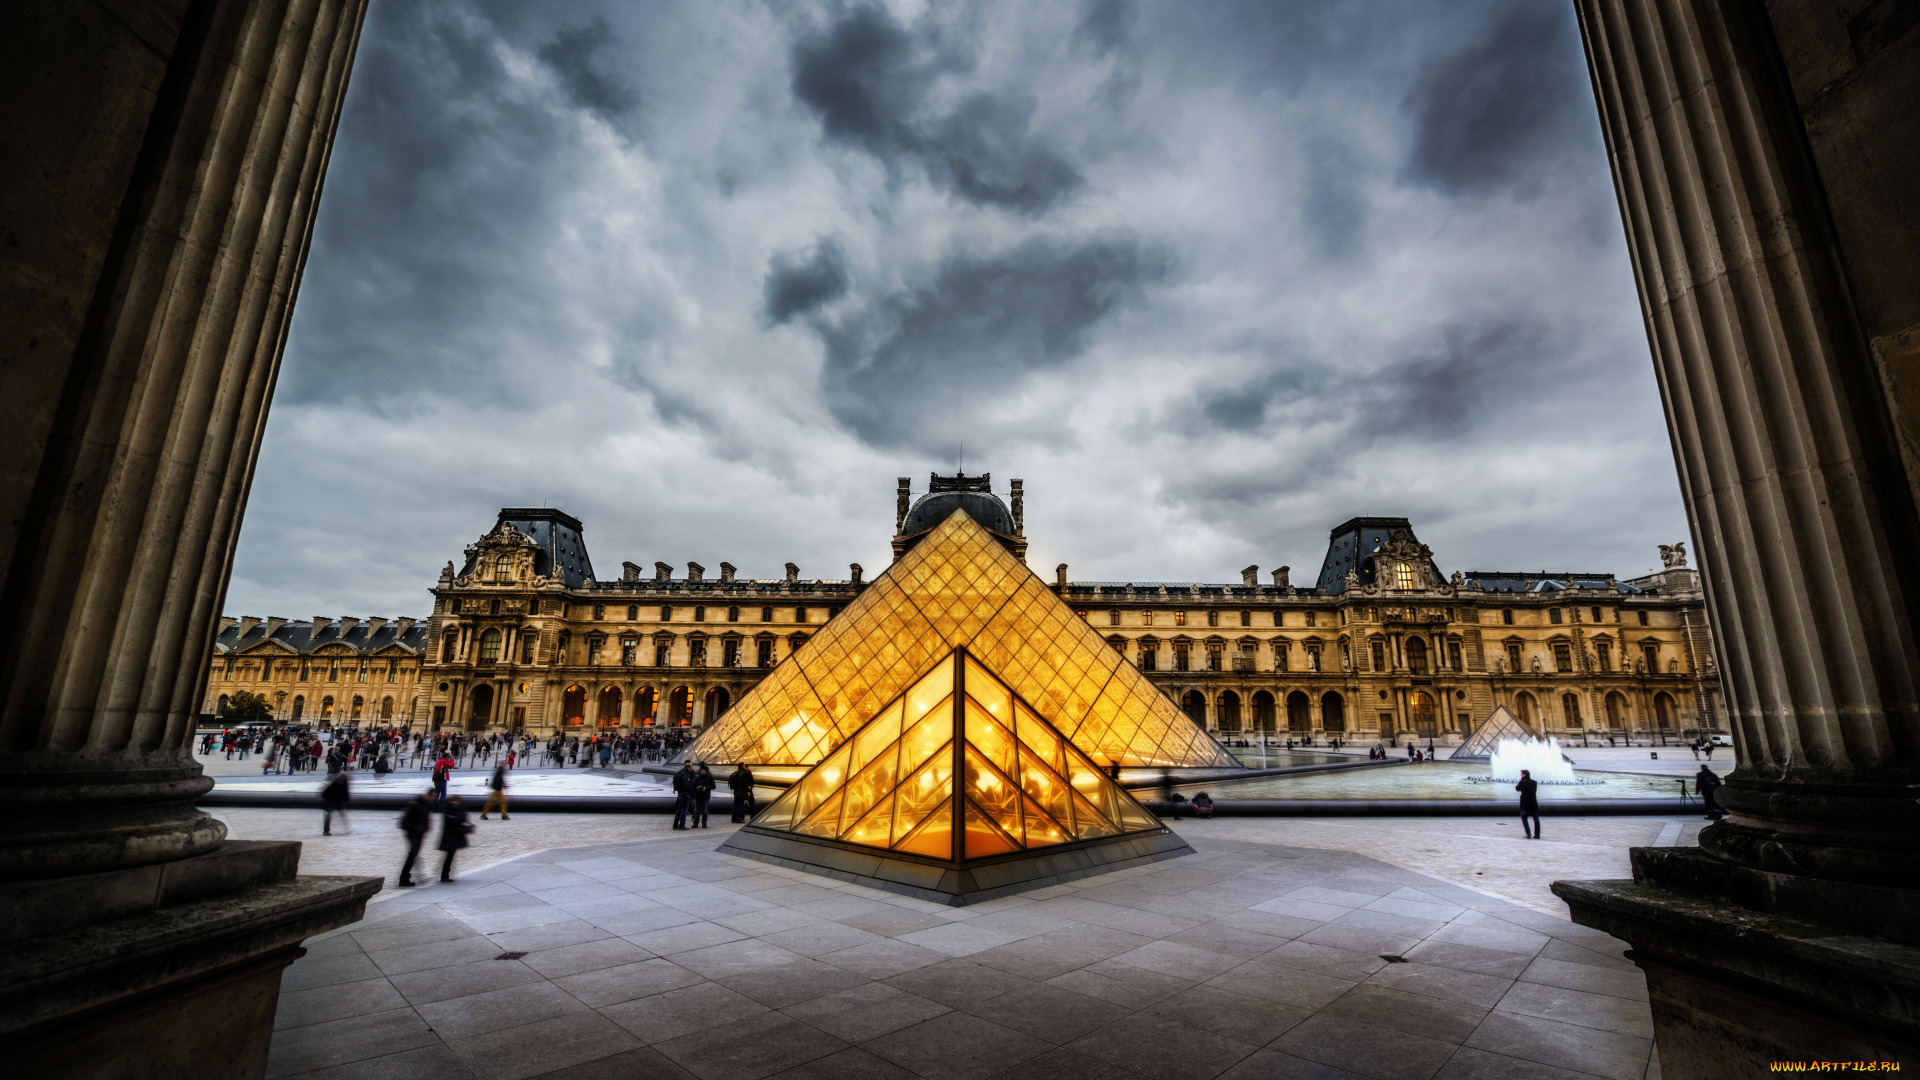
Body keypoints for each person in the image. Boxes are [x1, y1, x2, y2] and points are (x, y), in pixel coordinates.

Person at [397, 790, 432, 887]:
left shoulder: (426, 804)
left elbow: (425, 819)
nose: (434, 799)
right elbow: (404, 821)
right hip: (413, 834)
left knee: (414, 855)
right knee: (412, 854)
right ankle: (404, 878)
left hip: (419, 834)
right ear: (429, 795)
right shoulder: (415, 803)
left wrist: (425, 828)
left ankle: (411, 876)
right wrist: (416, 829)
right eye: (433, 797)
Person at [438, 795, 472, 881]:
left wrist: (455, 818)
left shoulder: (458, 808)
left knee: (450, 854)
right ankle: (444, 875)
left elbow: (461, 818)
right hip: (450, 835)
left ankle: (445, 874)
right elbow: (456, 819)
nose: (456, 803)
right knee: (450, 854)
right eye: (455, 801)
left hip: (454, 834)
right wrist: (456, 818)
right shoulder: (448, 808)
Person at [321, 769, 351, 835]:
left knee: (328, 816)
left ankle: (326, 831)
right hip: (334, 802)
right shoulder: (343, 783)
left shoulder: (338, 782)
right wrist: (346, 801)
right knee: (340, 815)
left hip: (332, 801)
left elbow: (325, 793)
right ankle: (346, 829)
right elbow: (345, 793)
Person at [671, 761, 697, 829]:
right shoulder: (686, 775)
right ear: (688, 767)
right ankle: (682, 825)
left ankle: (675, 825)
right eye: (691, 767)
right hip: (685, 794)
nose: (692, 768)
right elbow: (687, 785)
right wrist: (691, 792)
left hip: (680, 793)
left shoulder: (680, 772)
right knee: (684, 810)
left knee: (679, 809)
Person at [1516, 768, 1541, 839]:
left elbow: (1517, 789)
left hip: (1525, 803)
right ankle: (1537, 835)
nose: (1520, 775)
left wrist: (1521, 782)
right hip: (1533, 803)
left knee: (1524, 818)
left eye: (1521, 774)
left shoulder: (1522, 781)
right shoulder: (1534, 782)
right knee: (1536, 819)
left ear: (1524, 775)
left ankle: (1528, 833)